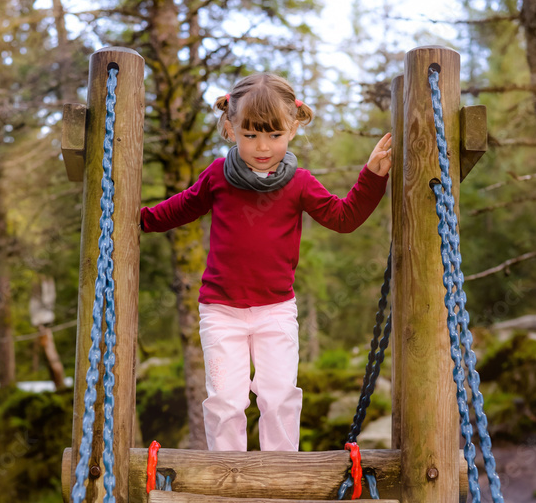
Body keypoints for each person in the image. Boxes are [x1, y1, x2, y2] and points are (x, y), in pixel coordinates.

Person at [140, 71, 392, 452]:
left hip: (275, 310)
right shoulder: (218, 176)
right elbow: (181, 208)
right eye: (251, 134)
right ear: (231, 128)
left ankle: (281, 473)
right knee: (225, 400)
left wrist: (371, 176)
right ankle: (228, 476)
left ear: (292, 127)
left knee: (278, 396)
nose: (262, 146)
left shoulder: (300, 183)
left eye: (274, 135)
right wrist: (136, 218)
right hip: (221, 311)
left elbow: (344, 218)